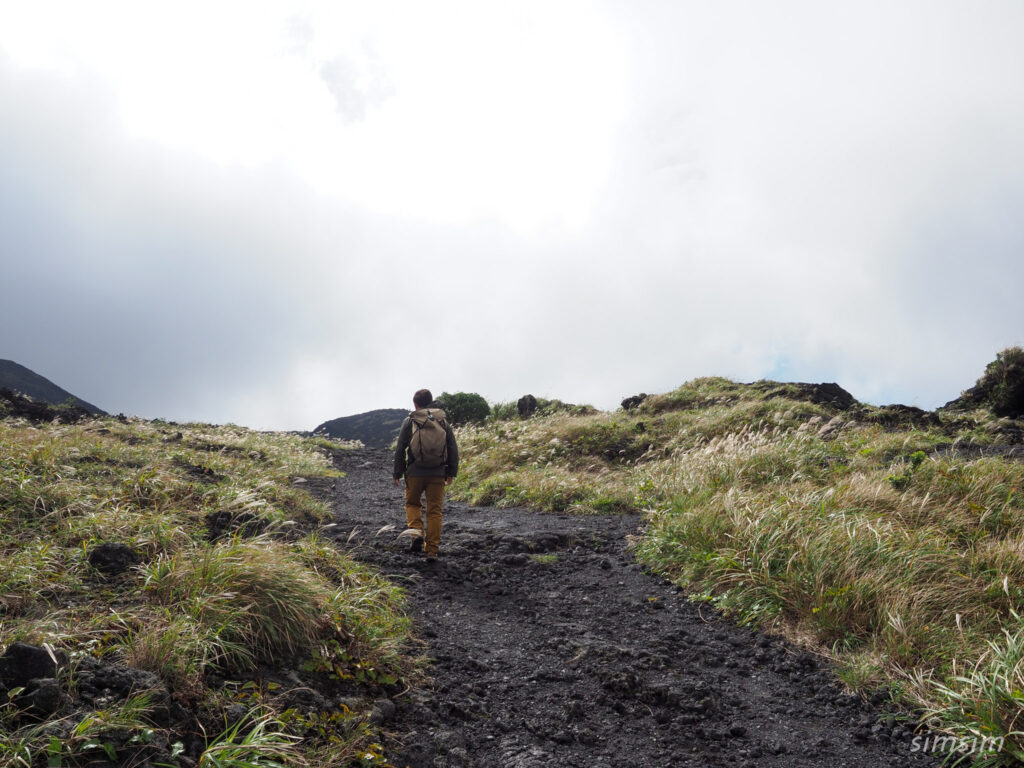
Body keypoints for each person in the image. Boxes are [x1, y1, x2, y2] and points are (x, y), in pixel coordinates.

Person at [393, 388, 459, 560]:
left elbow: (400, 449)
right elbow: (452, 447)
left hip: (415, 472)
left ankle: (416, 535)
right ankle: (431, 550)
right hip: (438, 472)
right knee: (434, 511)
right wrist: (451, 471)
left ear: (415, 404)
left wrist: (397, 473)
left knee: (413, 504)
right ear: (430, 402)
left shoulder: (410, 420)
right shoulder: (442, 421)